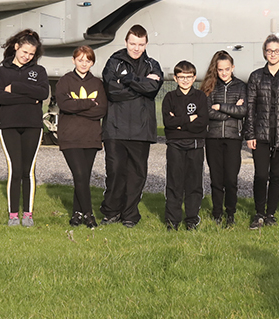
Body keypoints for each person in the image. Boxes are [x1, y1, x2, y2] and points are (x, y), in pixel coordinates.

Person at [100, 24, 163, 228]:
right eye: (133, 43)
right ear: (126, 42)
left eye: (140, 44)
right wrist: (140, 85)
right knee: (115, 172)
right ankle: (111, 212)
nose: (136, 48)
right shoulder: (114, 62)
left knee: (136, 175)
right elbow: (112, 90)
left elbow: (153, 88)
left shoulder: (153, 64)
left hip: (141, 130)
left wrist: (127, 80)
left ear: (146, 44)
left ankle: (130, 215)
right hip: (115, 129)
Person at [0, 29, 51, 227]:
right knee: (15, 170)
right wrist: (29, 96)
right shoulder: (1, 72)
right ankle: (13, 216)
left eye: (31, 54)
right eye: (24, 52)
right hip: (8, 125)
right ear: (16, 47)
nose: (27, 57)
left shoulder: (39, 71)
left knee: (28, 171)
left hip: (33, 126)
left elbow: (42, 93)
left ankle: (28, 214)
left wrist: (16, 87)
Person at [245, 35, 279, 229]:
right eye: (269, 50)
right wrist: (249, 134)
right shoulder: (256, 76)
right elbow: (250, 108)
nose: (273, 54)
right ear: (264, 52)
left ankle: (270, 214)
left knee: (277, 176)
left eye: (276, 50)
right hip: (261, 136)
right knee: (260, 175)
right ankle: (258, 213)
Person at [55, 45, 107, 230]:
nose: (84, 63)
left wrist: (77, 108)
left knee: (83, 177)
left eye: (88, 60)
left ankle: (77, 214)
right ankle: (89, 214)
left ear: (92, 62)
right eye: (80, 59)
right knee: (79, 174)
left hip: (91, 137)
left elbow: (101, 109)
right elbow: (64, 104)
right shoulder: (65, 81)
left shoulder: (98, 83)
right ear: (73, 60)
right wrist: (88, 104)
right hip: (70, 137)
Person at [202, 50, 247, 228]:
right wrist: (230, 113)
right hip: (212, 137)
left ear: (232, 68)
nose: (223, 73)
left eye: (227, 69)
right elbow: (207, 112)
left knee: (231, 179)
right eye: (220, 70)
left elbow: (243, 111)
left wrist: (220, 106)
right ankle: (217, 213)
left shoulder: (241, 86)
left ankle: (230, 213)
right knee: (216, 179)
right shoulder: (210, 86)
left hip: (233, 138)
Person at [162, 61, 210, 230]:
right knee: (174, 183)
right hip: (175, 145)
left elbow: (202, 123)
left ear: (194, 78)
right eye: (181, 77)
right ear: (175, 78)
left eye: (188, 77)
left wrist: (179, 123)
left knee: (194, 183)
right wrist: (189, 118)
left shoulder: (200, 97)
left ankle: (191, 218)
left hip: (196, 145)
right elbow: (168, 123)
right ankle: (172, 220)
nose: (185, 80)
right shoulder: (169, 98)